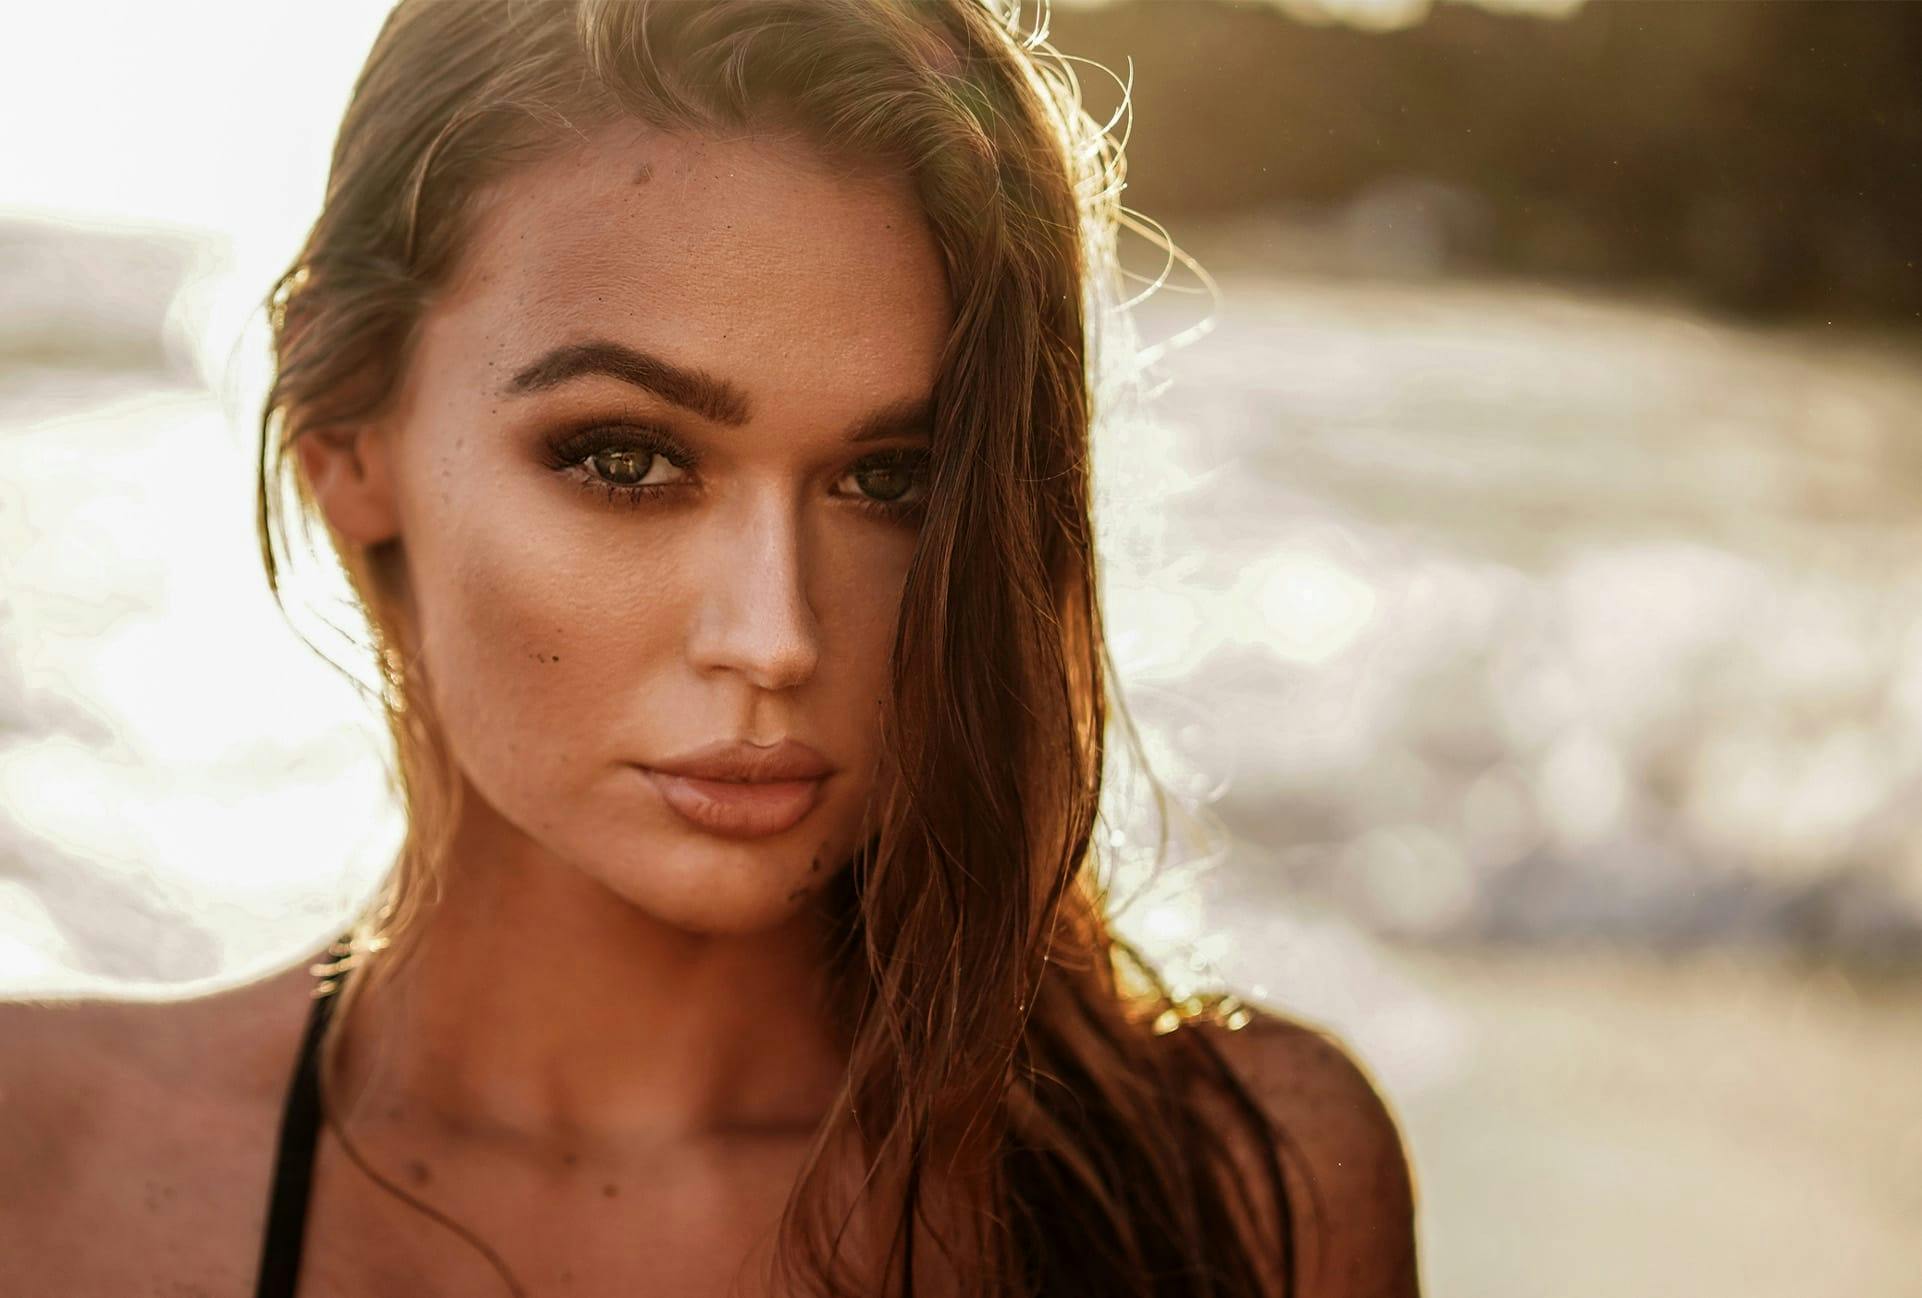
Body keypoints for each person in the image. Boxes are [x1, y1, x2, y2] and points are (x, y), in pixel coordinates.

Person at [0, 1, 1419, 1294]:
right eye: (625, 458)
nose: (776, 635)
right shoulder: (42, 1170)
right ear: (345, 437)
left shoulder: (1238, 1184)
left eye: (891, 479)